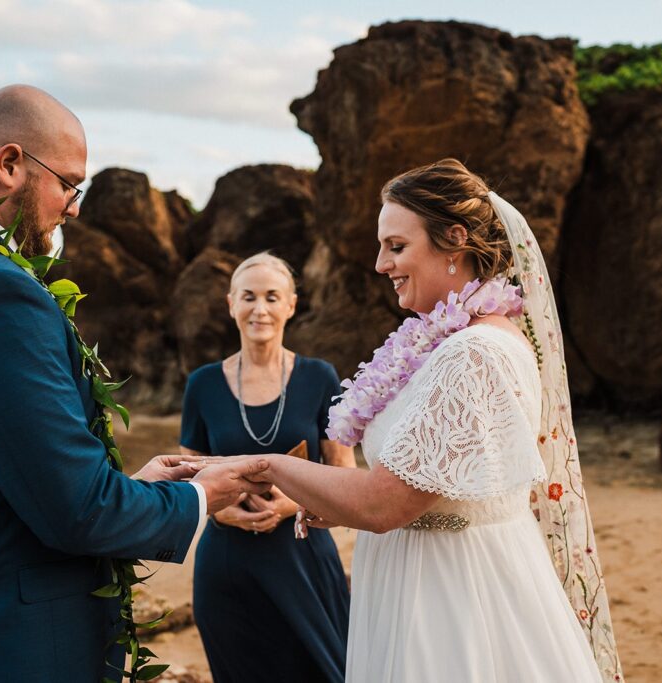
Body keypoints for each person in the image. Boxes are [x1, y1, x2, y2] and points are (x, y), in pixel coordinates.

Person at [0, 84, 270, 682]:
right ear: (9, 165)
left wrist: (128, 485)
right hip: (2, 646)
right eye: (68, 183)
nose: (75, 207)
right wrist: (201, 494)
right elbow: (78, 513)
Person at [248, 160, 624, 682]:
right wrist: (333, 500)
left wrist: (263, 464)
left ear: (454, 241)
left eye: (396, 246)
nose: (381, 265)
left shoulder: (474, 353)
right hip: (422, 575)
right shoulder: (450, 343)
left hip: (454, 593)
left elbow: (384, 503)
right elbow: (430, 485)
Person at [179, 252, 355, 683]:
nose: (260, 309)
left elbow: (345, 477)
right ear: (230, 304)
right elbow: (186, 477)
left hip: (305, 562)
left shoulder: (320, 377)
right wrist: (220, 510)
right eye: (249, 297)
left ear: (291, 305)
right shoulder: (202, 384)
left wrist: (292, 505)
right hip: (228, 567)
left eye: (272, 297)